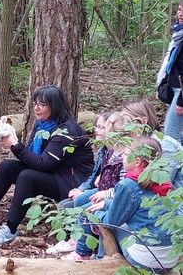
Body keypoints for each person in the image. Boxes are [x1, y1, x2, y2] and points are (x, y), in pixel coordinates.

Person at [0, 85, 94, 247]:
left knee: (27, 176)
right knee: (7, 166)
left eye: (42, 105)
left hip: (71, 184)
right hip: (55, 173)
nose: (36, 108)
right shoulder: (42, 125)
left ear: (55, 106)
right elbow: (30, 157)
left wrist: (14, 145)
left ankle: (10, 228)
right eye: (35, 103)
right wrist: (11, 140)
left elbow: (43, 164)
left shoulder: (67, 131)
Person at [91, 136, 177, 273]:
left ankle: (101, 262)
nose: (122, 158)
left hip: (145, 259)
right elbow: (139, 204)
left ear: (137, 161)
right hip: (171, 258)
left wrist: (95, 216)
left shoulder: (128, 185)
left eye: (125, 154)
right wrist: (107, 203)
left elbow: (111, 222)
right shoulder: (164, 181)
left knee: (108, 223)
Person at [61, 112, 132, 260]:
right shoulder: (110, 150)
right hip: (105, 191)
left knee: (87, 211)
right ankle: (79, 242)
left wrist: (104, 195)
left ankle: (84, 252)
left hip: (112, 195)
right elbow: (97, 174)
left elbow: (124, 187)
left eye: (102, 128)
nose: (96, 131)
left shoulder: (126, 157)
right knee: (78, 202)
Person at [48, 111, 113, 255]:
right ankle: (71, 239)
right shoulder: (103, 150)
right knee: (64, 205)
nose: (96, 130)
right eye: (97, 126)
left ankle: (82, 246)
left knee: (75, 206)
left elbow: (108, 183)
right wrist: (81, 188)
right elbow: (93, 176)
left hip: (104, 195)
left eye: (101, 127)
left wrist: (83, 193)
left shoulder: (116, 154)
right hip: (95, 190)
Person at [156, 0, 183, 145]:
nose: (180, 14)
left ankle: (169, 168)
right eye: (179, 10)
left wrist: (181, 101)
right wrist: (162, 84)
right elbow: (171, 63)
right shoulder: (178, 35)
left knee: (171, 135)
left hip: (181, 92)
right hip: (173, 87)